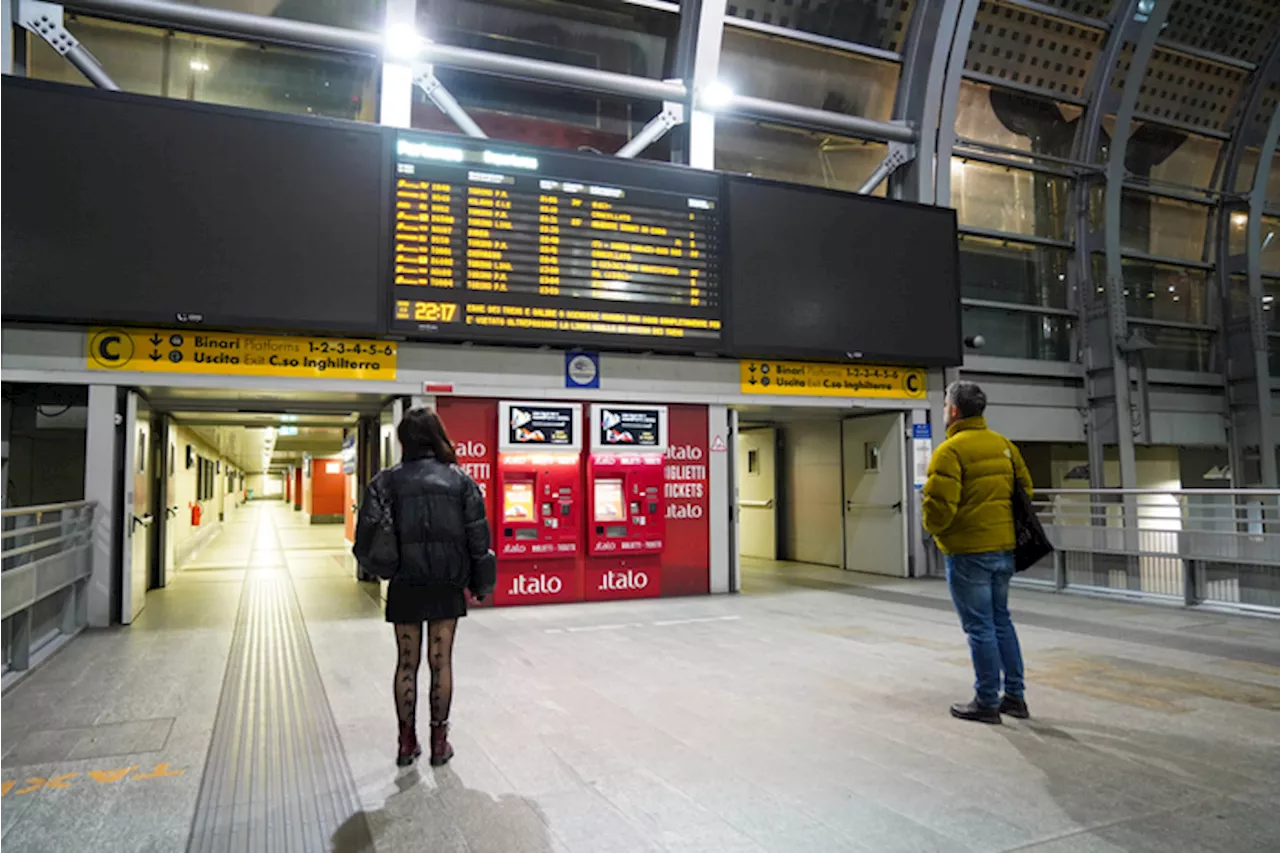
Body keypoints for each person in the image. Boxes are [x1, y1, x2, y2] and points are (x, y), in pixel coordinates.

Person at [354, 407, 495, 766]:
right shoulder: (460, 481)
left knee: (406, 664)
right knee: (440, 662)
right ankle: (439, 742)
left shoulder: (385, 482)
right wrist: (482, 582)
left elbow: (365, 539)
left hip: (405, 583)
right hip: (447, 583)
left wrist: (380, 569)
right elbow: (479, 539)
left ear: (404, 441)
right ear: (437, 436)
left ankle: (405, 743)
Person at [923, 381, 1033, 725]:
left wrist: (936, 531)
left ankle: (986, 701)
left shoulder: (950, 451)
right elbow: (1025, 491)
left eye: (944, 405)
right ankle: (1014, 696)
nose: (944, 410)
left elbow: (939, 509)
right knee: (1002, 620)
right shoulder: (1005, 446)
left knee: (980, 626)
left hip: (969, 552)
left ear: (954, 411)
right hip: (1005, 549)